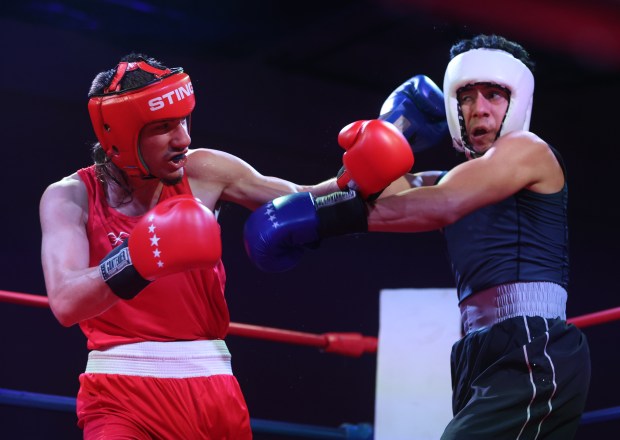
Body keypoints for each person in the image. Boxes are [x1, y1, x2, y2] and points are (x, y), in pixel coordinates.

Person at [38, 52, 424, 439]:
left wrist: (358, 175)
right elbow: (66, 301)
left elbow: (300, 201)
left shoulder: (204, 170)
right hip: (121, 393)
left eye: (185, 120)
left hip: (213, 388)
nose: (183, 138)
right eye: (164, 127)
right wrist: (138, 256)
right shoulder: (70, 197)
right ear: (121, 135)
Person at [243, 34, 591, 438]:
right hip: (478, 350)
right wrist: (389, 139)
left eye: (493, 95)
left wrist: (317, 222)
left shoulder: (529, 150)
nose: (478, 109)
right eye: (465, 96)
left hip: (534, 342)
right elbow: (338, 193)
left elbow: (439, 205)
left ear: (518, 100)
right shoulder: (445, 179)